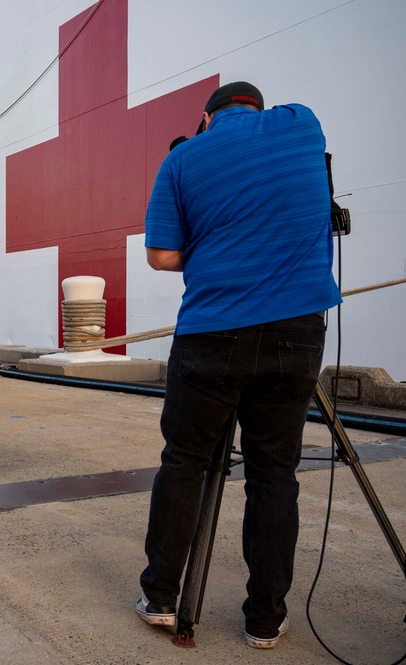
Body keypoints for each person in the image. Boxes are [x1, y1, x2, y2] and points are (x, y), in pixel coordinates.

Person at [137, 82, 342, 649]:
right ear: (256, 107)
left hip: (213, 332)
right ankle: (264, 620)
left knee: (184, 462)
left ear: (206, 119)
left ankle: (160, 596)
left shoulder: (183, 159)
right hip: (297, 331)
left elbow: (162, 256)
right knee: (274, 473)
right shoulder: (302, 122)